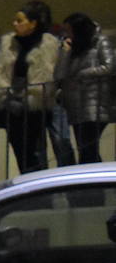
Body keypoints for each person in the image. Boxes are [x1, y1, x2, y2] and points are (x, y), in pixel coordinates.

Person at [0, 0, 60, 174]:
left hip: (35, 107)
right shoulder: (8, 42)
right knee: (20, 152)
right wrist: (6, 97)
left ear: (33, 23)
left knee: (36, 154)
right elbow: (1, 72)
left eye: (20, 20)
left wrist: (30, 98)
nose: (14, 23)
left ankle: (42, 194)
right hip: (12, 105)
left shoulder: (48, 43)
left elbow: (47, 76)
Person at [55, 12, 115, 164]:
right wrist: (64, 53)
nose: (67, 34)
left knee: (88, 149)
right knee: (85, 149)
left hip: (96, 103)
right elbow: (60, 74)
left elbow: (109, 67)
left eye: (69, 30)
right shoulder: (73, 48)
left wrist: (85, 73)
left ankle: (95, 184)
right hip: (76, 105)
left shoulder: (101, 42)